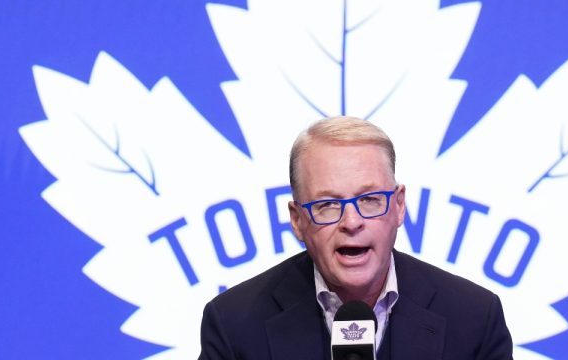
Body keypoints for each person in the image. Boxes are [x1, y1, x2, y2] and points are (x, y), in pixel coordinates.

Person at [199, 116, 513, 360]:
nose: (352, 222)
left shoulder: (473, 317)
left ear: (398, 207)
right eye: (327, 205)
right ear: (297, 221)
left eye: (369, 200)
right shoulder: (234, 323)